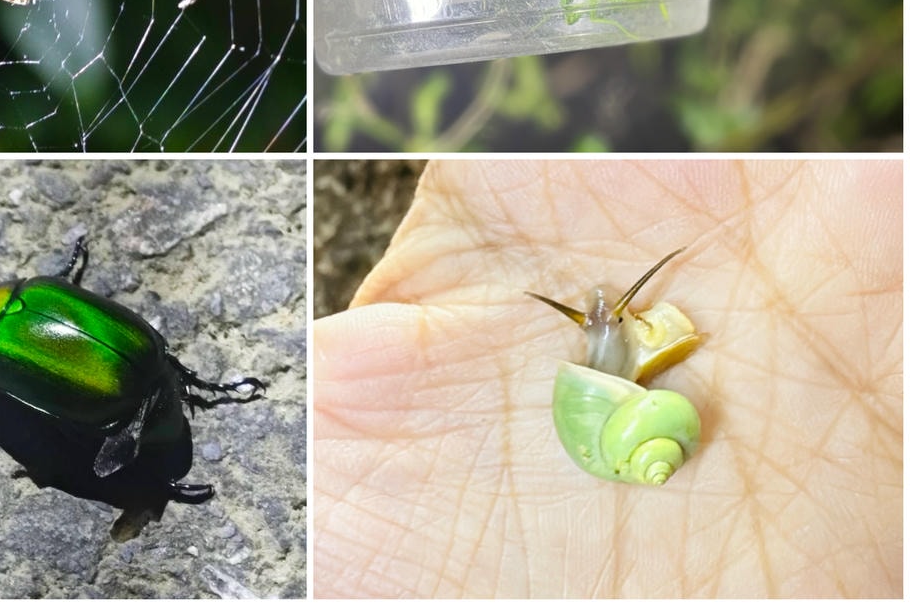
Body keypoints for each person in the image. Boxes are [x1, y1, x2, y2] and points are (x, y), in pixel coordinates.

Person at [314, 160, 901, 597]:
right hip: (621, 437)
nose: (602, 327)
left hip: (622, 438)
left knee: (606, 332)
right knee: (607, 332)